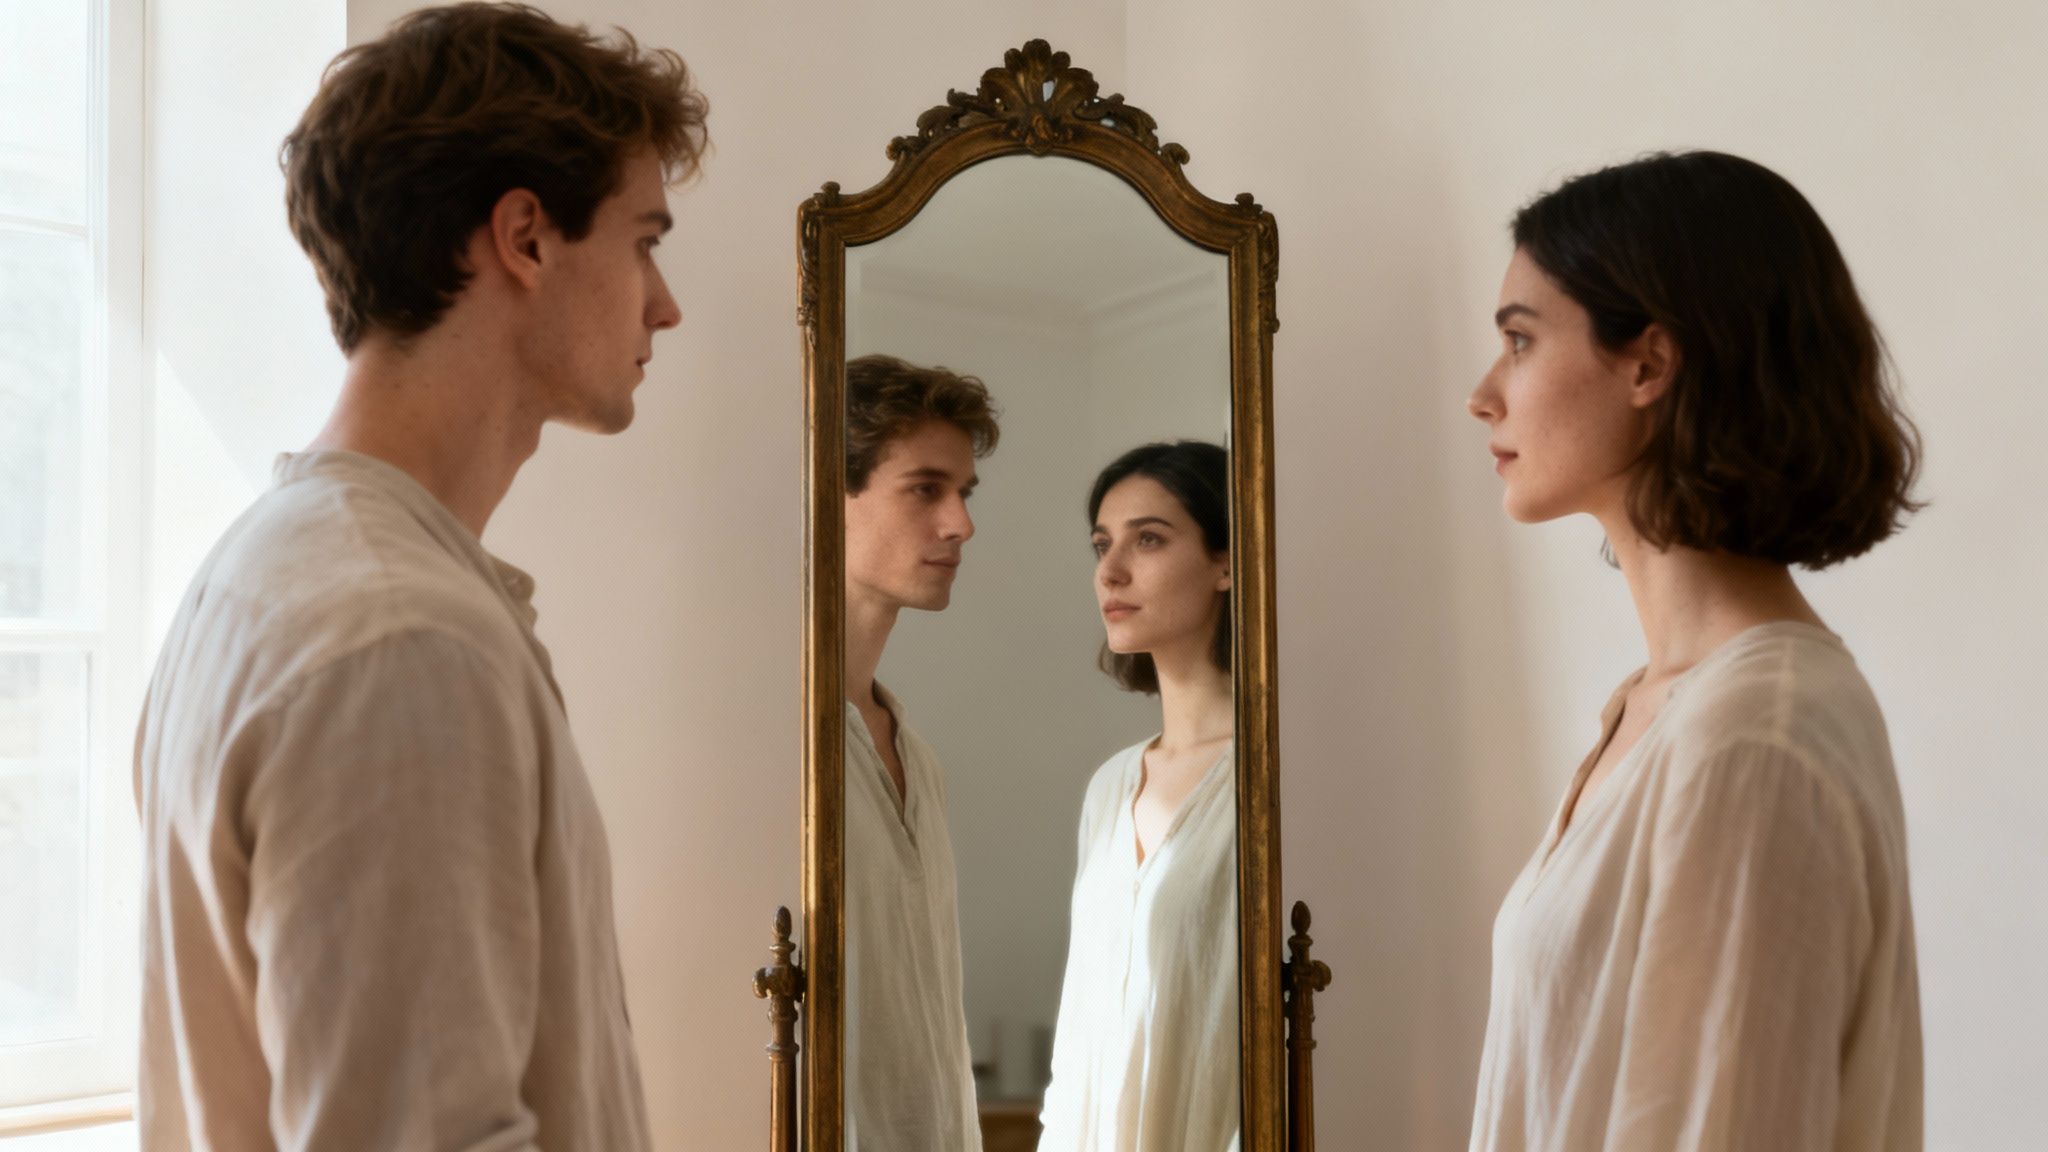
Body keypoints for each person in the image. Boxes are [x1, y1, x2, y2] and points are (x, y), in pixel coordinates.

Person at [132, 5, 707, 1147]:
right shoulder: (399, 638)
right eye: (644, 240)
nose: (665, 302)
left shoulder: (259, 575)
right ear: (526, 237)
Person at [1464, 150, 1924, 1151]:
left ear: (1648, 364)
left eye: (1519, 340)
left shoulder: (1754, 735)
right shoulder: (1661, 706)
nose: (1483, 394)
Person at [1038, 440, 1240, 1152]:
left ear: (1225, 562)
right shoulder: (1112, 786)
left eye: (1148, 539)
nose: (1110, 571)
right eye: (1102, 545)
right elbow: (1079, 1034)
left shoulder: (1273, 779)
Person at [841, 353, 1000, 1151]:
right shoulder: (768, 743)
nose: (961, 523)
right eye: (925, 488)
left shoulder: (921, 763)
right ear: (827, 493)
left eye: (964, 492)